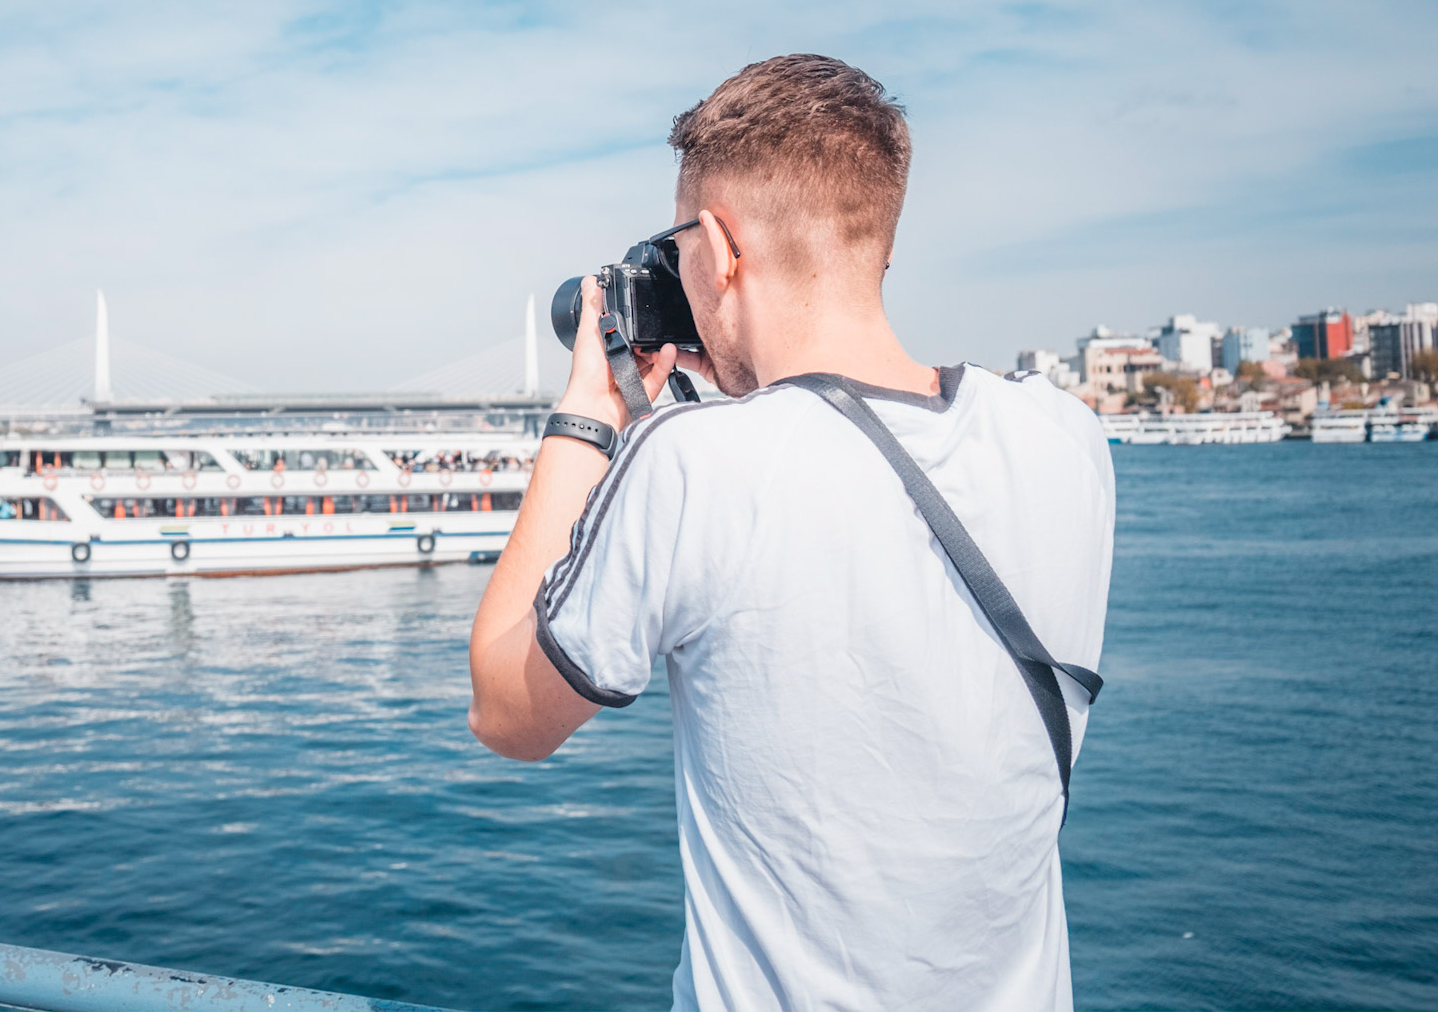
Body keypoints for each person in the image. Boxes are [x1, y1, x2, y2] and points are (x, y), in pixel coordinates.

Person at [468, 55, 1114, 1012]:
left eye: (678, 242)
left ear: (721, 247)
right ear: (878, 239)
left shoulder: (694, 463)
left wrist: (589, 411)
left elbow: (504, 710)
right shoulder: (1065, 436)